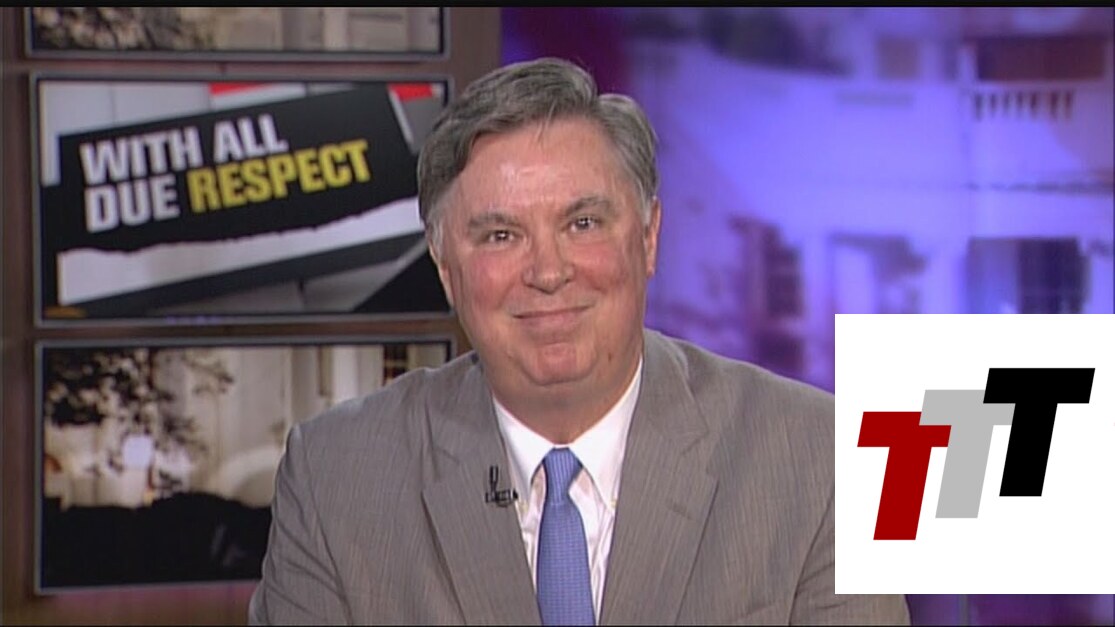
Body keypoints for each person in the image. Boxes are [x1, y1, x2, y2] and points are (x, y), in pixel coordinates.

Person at [248, 57, 909, 625]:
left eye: (583, 223)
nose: (548, 271)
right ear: (446, 269)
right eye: (500, 235)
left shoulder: (817, 460)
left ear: (648, 237)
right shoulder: (336, 478)